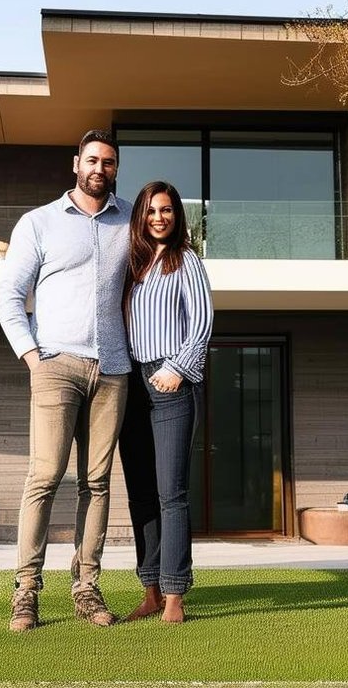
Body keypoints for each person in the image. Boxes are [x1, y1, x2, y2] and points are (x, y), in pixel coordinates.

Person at [0, 129, 132, 632]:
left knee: (97, 483)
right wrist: (33, 357)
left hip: (114, 369)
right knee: (45, 477)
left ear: (116, 169)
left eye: (109, 162)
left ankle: (86, 587)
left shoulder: (130, 221)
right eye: (92, 160)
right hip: (56, 366)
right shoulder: (39, 223)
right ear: (76, 164)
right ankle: (26, 590)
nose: (100, 168)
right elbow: (10, 294)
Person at [118, 180, 213, 624]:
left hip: (171, 381)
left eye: (168, 210)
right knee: (140, 495)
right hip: (132, 383)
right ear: (141, 216)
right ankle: (151, 589)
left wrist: (176, 368)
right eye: (152, 210)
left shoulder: (186, 262)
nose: (159, 217)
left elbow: (203, 322)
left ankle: (175, 594)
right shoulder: (134, 265)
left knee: (170, 493)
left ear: (177, 216)